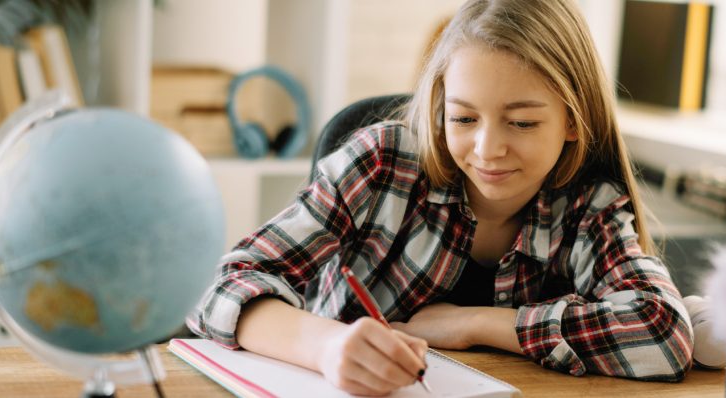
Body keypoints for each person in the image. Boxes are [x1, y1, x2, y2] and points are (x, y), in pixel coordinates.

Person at [187, 0, 693, 395]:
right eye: (464, 118)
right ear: (439, 105)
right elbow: (222, 288)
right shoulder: (383, 164)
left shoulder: (587, 205)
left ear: (572, 122)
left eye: (522, 122)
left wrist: (472, 323)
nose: (488, 149)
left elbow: (664, 332)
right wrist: (327, 346)